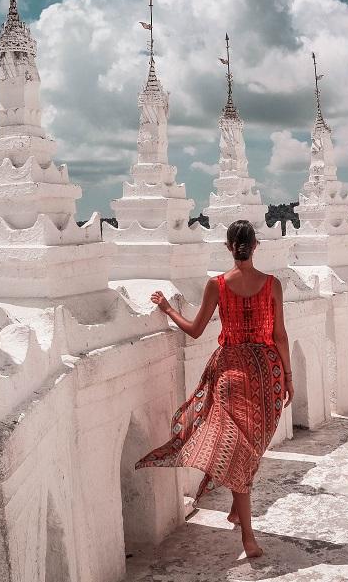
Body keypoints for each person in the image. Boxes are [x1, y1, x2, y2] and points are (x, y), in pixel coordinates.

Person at [135, 219, 293, 559]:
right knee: (249, 447)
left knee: (240, 448)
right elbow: (279, 335)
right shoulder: (273, 285)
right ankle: (246, 532)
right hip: (267, 373)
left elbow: (194, 330)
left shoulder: (217, 285)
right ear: (255, 246)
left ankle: (242, 521)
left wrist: (167, 308)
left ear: (228, 247)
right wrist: (289, 377)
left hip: (231, 374)